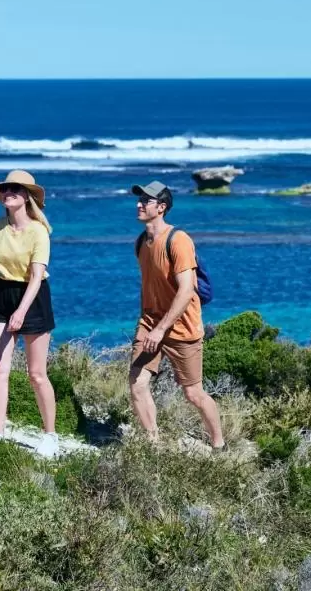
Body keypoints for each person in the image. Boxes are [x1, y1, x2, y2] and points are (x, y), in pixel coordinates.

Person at [129, 181, 225, 450]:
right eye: (139, 200)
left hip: (182, 328)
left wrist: (161, 329)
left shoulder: (178, 240)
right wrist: (146, 324)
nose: (138, 204)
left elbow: (186, 290)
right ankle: (153, 445)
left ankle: (219, 444)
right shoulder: (141, 243)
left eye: (145, 201)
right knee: (137, 383)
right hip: (150, 322)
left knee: (193, 393)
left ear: (161, 208)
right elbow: (148, 285)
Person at [0, 170, 59, 457]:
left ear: (26, 197)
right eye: (6, 188)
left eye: (15, 189)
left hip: (31, 298)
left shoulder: (38, 231)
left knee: (36, 373)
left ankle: (50, 436)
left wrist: (21, 311)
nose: (8, 192)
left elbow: (36, 277)